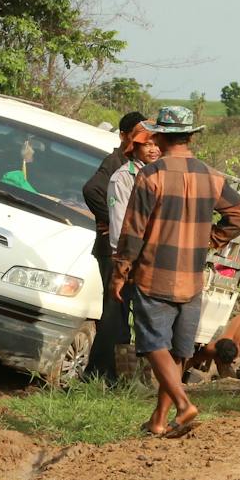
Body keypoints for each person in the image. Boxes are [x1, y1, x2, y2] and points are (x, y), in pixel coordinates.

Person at [111, 105, 240, 438]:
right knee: (176, 352)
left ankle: (184, 404)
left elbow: (133, 230)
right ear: (190, 137)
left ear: (160, 137)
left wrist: (120, 270)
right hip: (192, 279)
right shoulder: (212, 177)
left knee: (152, 344)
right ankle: (159, 420)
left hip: (154, 274)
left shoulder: (151, 175)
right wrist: (211, 239)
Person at [81, 111, 149, 384]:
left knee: (118, 313)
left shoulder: (140, 166)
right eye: (139, 136)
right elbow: (91, 190)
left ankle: (109, 374)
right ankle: (99, 374)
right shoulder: (116, 163)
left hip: (123, 248)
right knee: (115, 312)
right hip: (113, 251)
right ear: (124, 136)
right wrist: (111, 220)